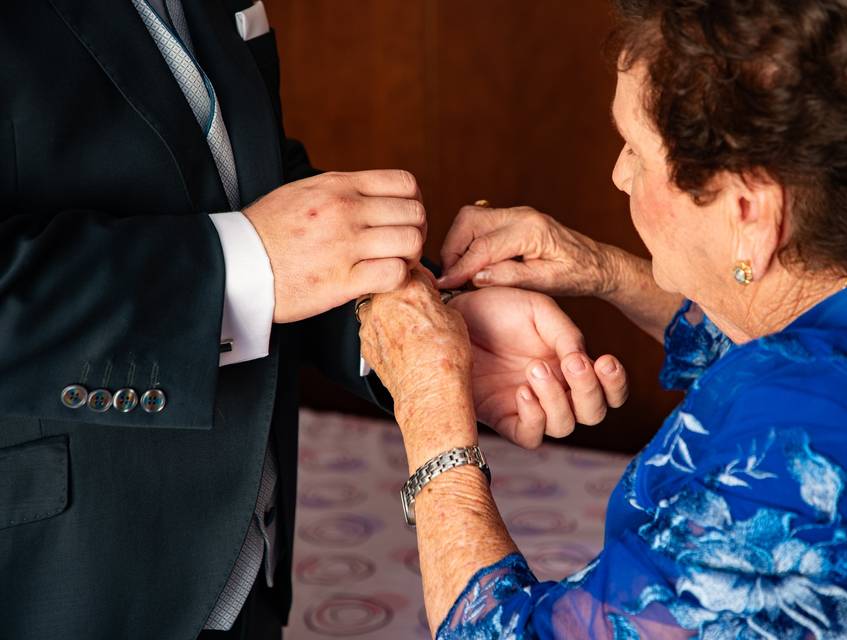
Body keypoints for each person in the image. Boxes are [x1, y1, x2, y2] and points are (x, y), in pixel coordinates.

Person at [0, 2, 626, 638]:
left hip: (256, 572)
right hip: (66, 574)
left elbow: (243, 176)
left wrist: (423, 325)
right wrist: (247, 262)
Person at [359, 0, 847, 637]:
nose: (619, 175)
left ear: (750, 215)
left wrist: (431, 409)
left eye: (638, 151)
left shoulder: (802, 443)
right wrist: (607, 273)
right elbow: (837, 347)